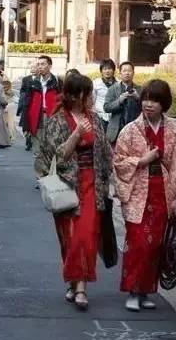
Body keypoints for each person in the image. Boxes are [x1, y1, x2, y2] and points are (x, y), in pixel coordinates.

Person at [36, 70, 111, 310]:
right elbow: (56, 155)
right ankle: (72, 282)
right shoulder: (57, 120)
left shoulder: (96, 119)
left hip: (93, 184)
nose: (91, 98)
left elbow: (106, 152)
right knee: (68, 238)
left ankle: (81, 288)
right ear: (77, 96)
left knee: (86, 236)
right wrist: (76, 134)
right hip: (68, 184)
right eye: (88, 94)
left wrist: (118, 176)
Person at [114, 79, 176, 312]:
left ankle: (146, 290)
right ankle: (133, 290)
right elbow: (118, 161)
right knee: (137, 242)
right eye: (146, 99)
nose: (149, 104)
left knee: (155, 244)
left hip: (162, 191)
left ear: (163, 104)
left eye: (155, 100)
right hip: (137, 190)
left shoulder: (175, 132)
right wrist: (141, 160)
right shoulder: (130, 130)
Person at [23, 55, 63, 184]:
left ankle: (52, 176)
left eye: (43, 64)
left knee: (53, 148)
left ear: (50, 66)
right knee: (38, 149)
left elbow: (62, 101)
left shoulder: (57, 82)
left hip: (53, 118)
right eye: (39, 64)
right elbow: (26, 104)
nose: (40, 67)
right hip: (37, 118)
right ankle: (40, 177)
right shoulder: (33, 83)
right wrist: (26, 125)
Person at [103, 61, 141, 144]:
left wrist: (138, 98)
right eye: (124, 71)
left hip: (134, 129)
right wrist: (119, 101)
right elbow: (106, 107)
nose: (127, 73)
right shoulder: (113, 88)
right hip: (116, 130)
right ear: (120, 73)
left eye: (129, 71)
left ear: (133, 73)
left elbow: (146, 108)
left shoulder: (139, 89)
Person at [17, 62, 39, 151]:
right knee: (25, 125)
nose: (32, 69)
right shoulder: (26, 79)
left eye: (34, 67)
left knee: (34, 124)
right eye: (31, 68)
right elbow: (22, 91)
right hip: (26, 104)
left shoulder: (40, 79)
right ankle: (28, 139)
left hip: (35, 104)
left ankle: (31, 140)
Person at [93, 59, 116, 132]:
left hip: (114, 117)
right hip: (100, 116)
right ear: (101, 71)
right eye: (105, 69)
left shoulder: (118, 83)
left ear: (113, 70)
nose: (107, 71)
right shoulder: (96, 83)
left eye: (109, 68)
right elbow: (92, 100)